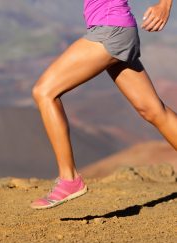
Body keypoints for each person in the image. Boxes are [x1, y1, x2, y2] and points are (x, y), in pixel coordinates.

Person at [31, 0, 176, 209]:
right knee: (153, 111)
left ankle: (69, 179)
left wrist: (164, 6)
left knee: (44, 92)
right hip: (116, 29)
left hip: (110, 30)